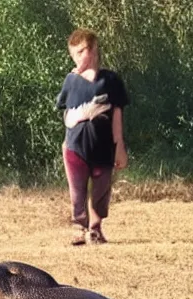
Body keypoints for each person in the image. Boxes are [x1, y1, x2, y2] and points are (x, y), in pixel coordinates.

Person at [55, 29, 129, 245]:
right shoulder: (71, 80)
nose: (76, 58)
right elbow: (66, 112)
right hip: (75, 146)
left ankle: (95, 229)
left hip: (103, 147)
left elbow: (117, 114)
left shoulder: (111, 80)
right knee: (77, 192)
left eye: (81, 52)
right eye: (74, 54)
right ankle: (80, 228)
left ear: (93, 50)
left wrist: (120, 146)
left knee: (100, 191)